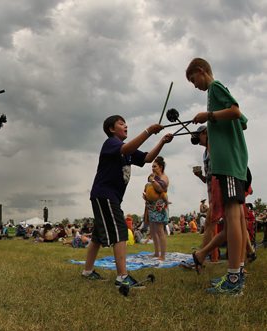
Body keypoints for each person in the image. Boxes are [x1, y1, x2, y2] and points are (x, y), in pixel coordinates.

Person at [82, 115, 172, 288]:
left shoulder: (128, 152)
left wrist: (161, 141)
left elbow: (147, 158)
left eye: (126, 123)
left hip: (109, 196)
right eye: (121, 124)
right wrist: (148, 131)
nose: (126, 126)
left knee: (98, 236)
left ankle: (87, 271)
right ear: (111, 129)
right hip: (105, 194)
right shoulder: (111, 143)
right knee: (121, 231)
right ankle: (122, 277)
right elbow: (127, 149)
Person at [187, 57, 249, 295]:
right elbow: (242, 122)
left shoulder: (215, 87)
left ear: (201, 71)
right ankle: (238, 272)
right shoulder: (216, 92)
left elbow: (236, 111)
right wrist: (214, 119)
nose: (194, 85)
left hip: (228, 163)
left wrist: (209, 116)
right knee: (239, 219)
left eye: (193, 79)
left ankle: (233, 278)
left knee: (233, 216)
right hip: (234, 161)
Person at [144, 156, 169, 260]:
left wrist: (152, 180)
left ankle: (162, 255)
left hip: (159, 206)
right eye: (152, 166)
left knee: (159, 230)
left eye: (155, 166)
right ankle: (156, 253)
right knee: (153, 230)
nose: (153, 168)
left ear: (161, 167)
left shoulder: (164, 177)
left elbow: (160, 188)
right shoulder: (153, 177)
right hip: (151, 206)